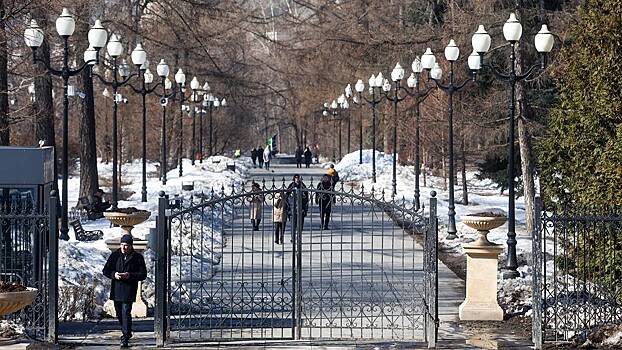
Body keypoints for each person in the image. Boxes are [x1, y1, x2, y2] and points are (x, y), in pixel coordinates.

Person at [102, 235, 147, 348]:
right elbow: (106, 270)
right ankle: (127, 330)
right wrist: (114, 274)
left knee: (126, 311)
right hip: (117, 288)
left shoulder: (137, 257)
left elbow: (143, 274)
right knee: (119, 312)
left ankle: (125, 336)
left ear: (131, 246)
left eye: (126, 245)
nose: (124, 247)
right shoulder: (115, 255)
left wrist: (130, 275)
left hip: (129, 289)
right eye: (122, 245)